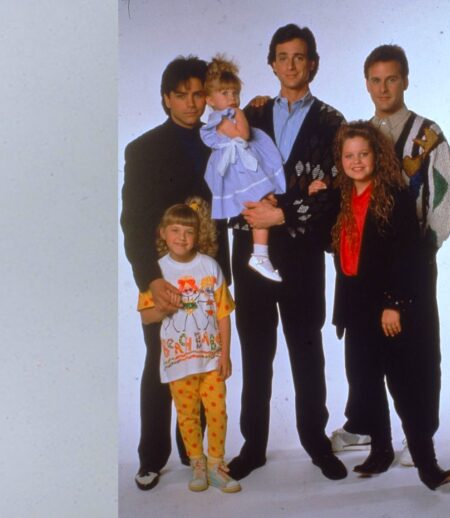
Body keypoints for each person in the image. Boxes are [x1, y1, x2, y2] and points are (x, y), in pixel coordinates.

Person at [226, 23, 347, 481]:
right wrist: (263, 214)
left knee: (306, 348)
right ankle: (253, 446)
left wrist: (284, 214)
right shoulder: (250, 116)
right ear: (271, 63)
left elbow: (333, 192)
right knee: (256, 351)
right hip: (252, 252)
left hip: (300, 255)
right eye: (282, 56)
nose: (291, 64)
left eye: (300, 56)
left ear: (312, 63)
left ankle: (316, 443)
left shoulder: (333, 122)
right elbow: (229, 174)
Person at [329, 44, 450, 469]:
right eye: (375, 80)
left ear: (405, 80)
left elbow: (442, 200)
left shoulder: (427, 135)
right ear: (366, 83)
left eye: (392, 79)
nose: (383, 88)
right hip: (368, 271)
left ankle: (421, 437)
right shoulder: (360, 133)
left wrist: (421, 256)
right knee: (367, 357)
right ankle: (374, 434)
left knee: (415, 356)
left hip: (412, 264)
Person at [120, 55, 231, 491]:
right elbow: (132, 221)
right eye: (181, 95)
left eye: (198, 94)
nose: (191, 103)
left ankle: (194, 452)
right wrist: (151, 279)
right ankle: (151, 456)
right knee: (160, 362)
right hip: (163, 276)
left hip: (207, 273)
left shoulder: (217, 141)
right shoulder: (143, 149)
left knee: (202, 361)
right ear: (166, 98)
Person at [136, 198, 240, 493]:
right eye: (175, 231)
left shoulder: (209, 267)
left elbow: (223, 314)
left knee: (217, 410)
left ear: (199, 234)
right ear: (163, 233)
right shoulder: (157, 272)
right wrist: (166, 308)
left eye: (189, 232)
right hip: (177, 362)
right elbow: (145, 317)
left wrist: (226, 355)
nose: (182, 238)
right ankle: (197, 465)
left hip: (210, 361)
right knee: (187, 414)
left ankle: (217, 466)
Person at [201, 55, 286, 282]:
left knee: (263, 204)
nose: (233, 98)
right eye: (225, 93)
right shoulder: (221, 119)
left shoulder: (227, 115)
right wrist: (240, 112)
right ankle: (259, 255)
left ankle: (260, 254)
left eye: (235, 93)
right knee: (259, 206)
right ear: (209, 98)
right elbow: (244, 135)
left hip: (242, 168)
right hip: (237, 171)